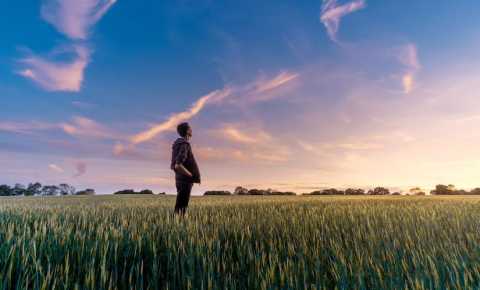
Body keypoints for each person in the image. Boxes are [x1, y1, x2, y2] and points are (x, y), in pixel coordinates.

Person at [170, 122, 201, 216]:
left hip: (179, 179)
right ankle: (177, 227)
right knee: (181, 209)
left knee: (179, 207)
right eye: (190, 128)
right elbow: (177, 165)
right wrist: (191, 176)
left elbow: (175, 164)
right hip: (185, 181)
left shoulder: (177, 144)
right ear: (187, 131)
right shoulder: (185, 144)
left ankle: (175, 225)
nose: (192, 130)